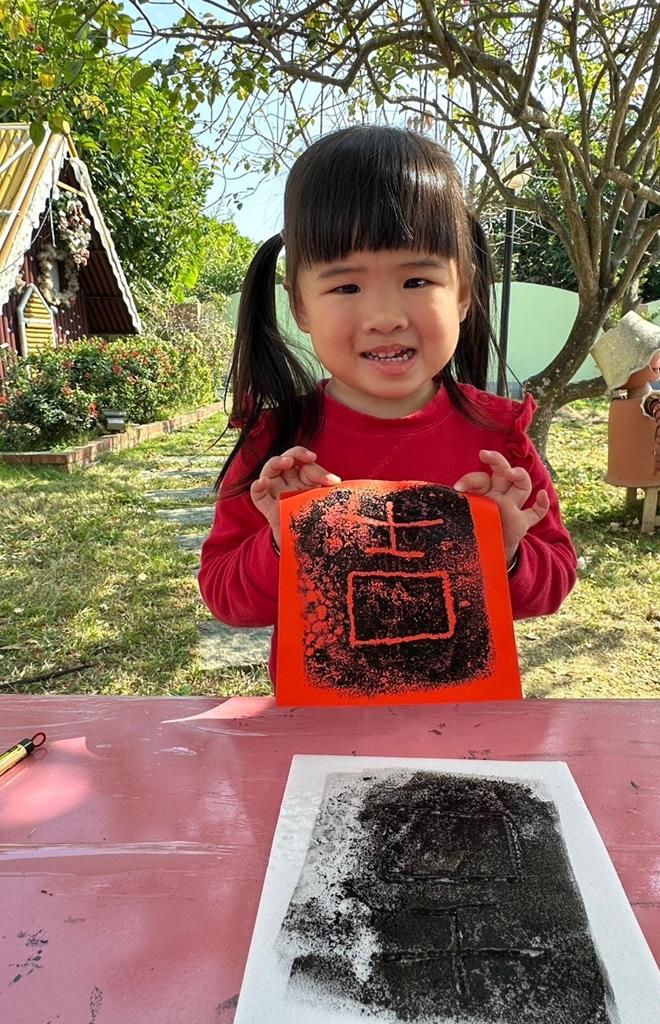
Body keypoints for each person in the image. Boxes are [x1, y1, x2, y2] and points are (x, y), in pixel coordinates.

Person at [199, 126, 577, 681]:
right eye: (346, 287)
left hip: (468, 724)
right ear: (299, 306)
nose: (385, 317)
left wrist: (507, 552)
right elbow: (226, 596)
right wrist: (282, 542)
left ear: (464, 293)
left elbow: (555, 580)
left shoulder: (500, 441)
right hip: (317, 728)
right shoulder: (275, 450)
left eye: (417, 280)